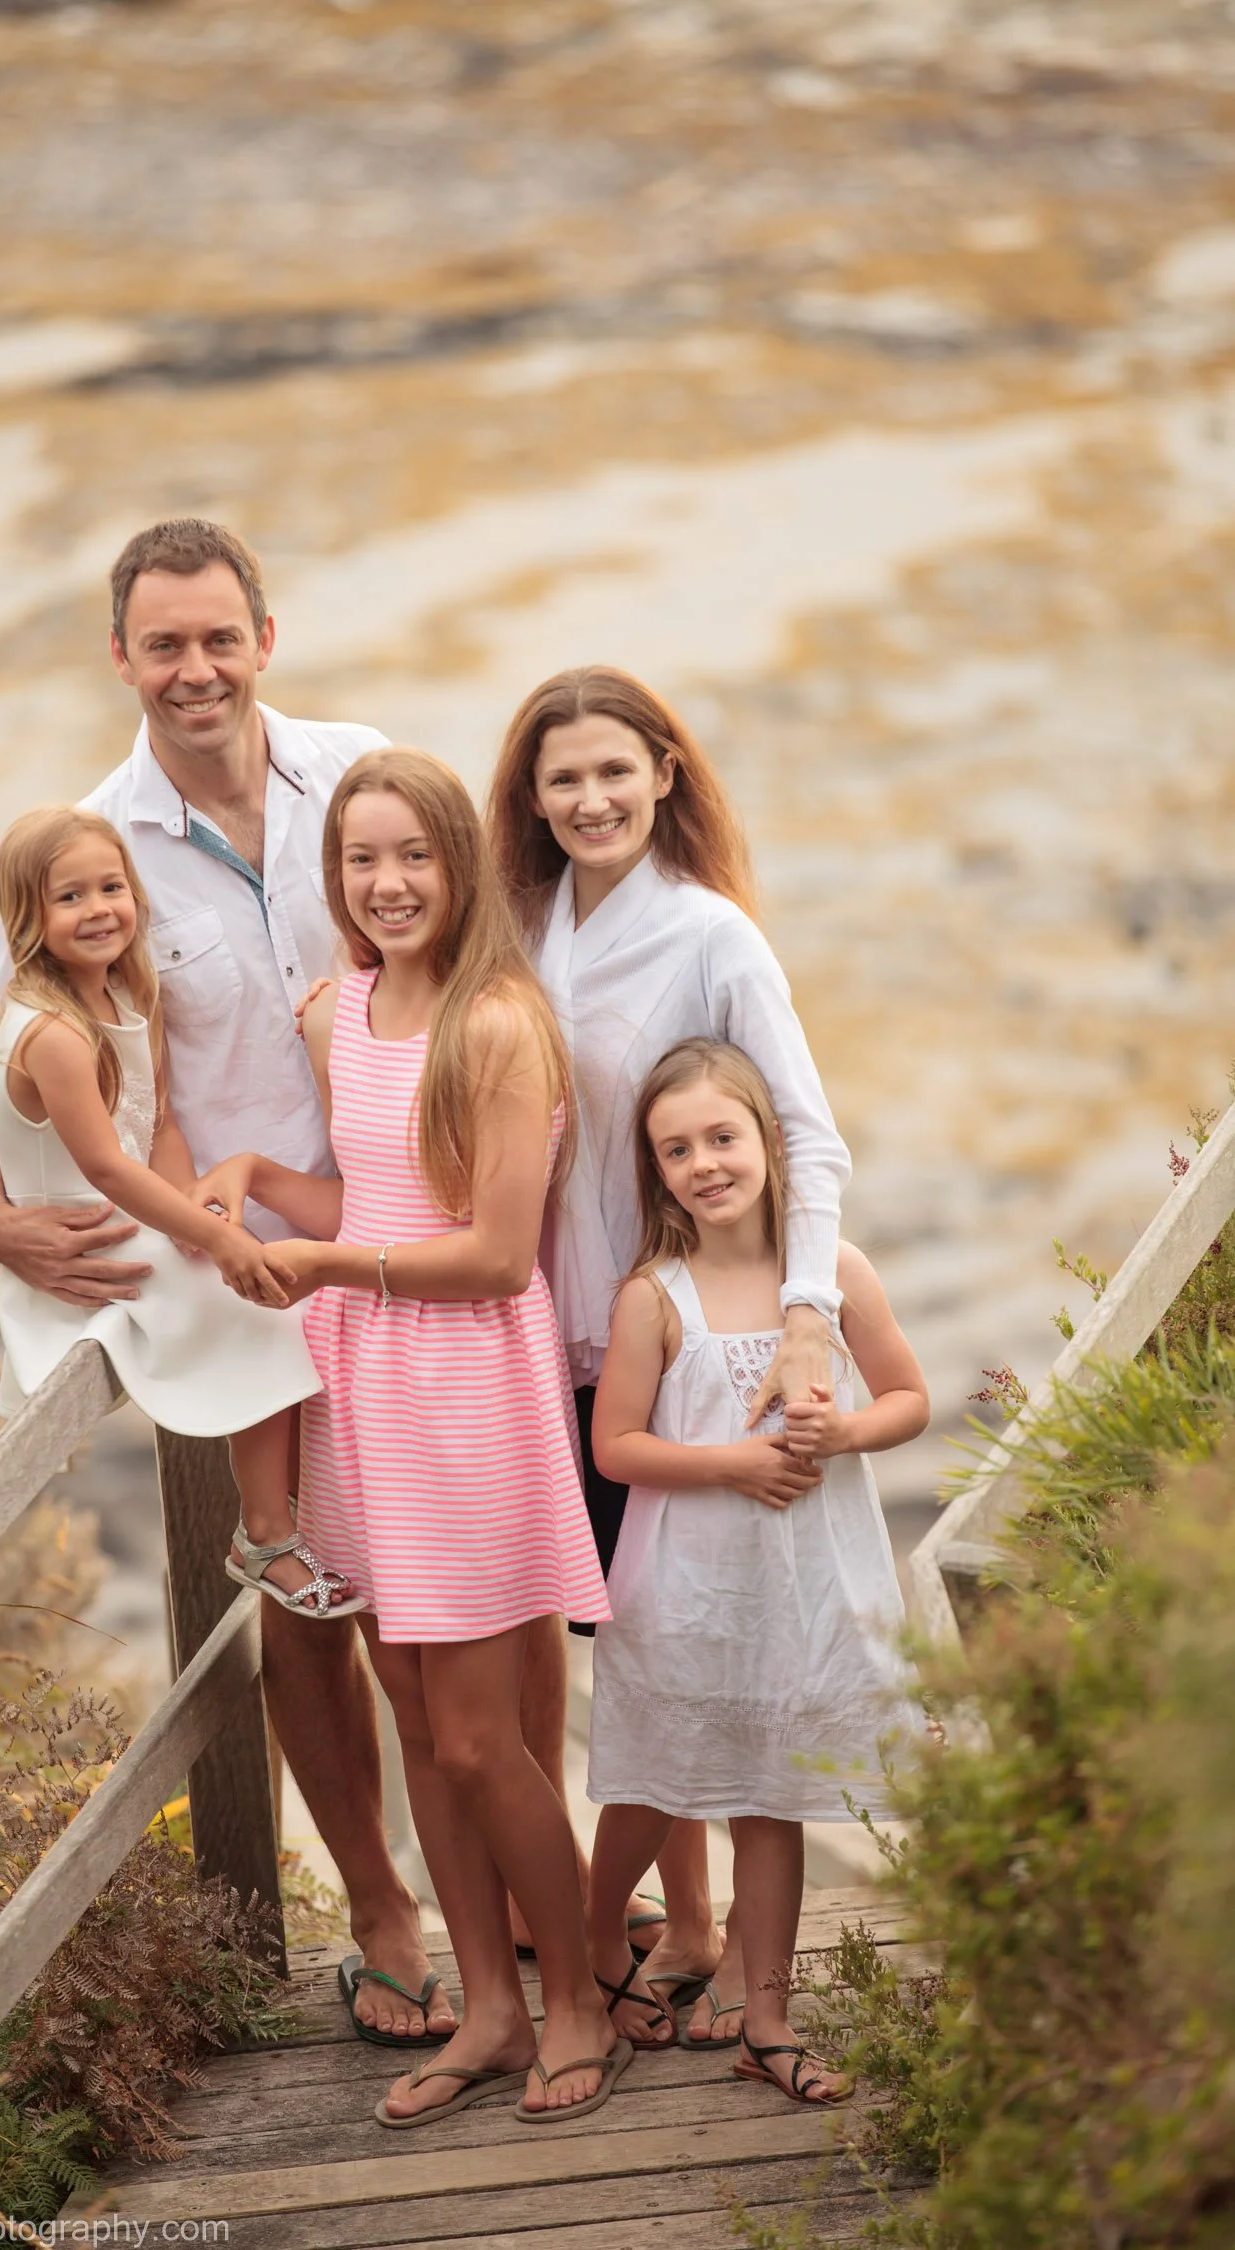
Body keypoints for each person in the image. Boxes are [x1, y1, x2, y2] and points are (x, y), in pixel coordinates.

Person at [0, 518, 455, 2044]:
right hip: (241, 1279)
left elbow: (473, 959)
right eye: (164, 643)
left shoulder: (364, 774)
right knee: (305, 1605)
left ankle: (515, 1866)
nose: (196, 667)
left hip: (408, 1239)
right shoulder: (88, 843)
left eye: (220, 635)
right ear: (121, 657)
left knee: (460, 1586)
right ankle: (381, 1906)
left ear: (265, 636)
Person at [197, 749, 629, 2127]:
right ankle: (488, 2011)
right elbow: (371, 1188)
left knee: (478, 1737)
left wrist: (324, 1271)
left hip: (462, 1396)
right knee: (414, 1714)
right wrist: (265, 1183)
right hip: (366, 1396)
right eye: (360, 860)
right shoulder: (344, 1011)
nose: (385, 885)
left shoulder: (501, 1028)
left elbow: (498, 1256)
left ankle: (571, 2000)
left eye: (413, 858)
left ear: (459, 865)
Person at [485, 665, 853, 2040]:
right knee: (638, 1642)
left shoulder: (712, 935)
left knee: (667, 1639)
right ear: (529, 796)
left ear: (664, 774)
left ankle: (626, 1937)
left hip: (676, 1350)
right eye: (560, 777)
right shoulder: (515, 929)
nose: (589, 798)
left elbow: (806, 1134)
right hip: (543, 1337)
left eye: (613, 772)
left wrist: (809, 1306)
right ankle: (688, 1928)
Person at [586, 1038, 928, 2098]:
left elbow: (909, 1400)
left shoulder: (829, 1282)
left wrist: (844, 1436)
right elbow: (615, 1448)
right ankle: (593, 1953)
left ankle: (768, 2023)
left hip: (800, 1591)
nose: (705, 1164)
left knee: (772, 1799)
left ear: (773, 1145)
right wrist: (734, 1461)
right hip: (688, 1590)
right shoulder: (655, 1295)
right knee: (651, 1784)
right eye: (676, 1149)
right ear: (656, 1172)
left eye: (723, 1137)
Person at [0, 804, 353, 1617]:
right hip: (87, 1249)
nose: (99, 909)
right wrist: (215, 1240)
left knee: (268, 1288)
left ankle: (307, 1519)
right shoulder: (51, 1032)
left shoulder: (129, 994)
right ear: (28, 918)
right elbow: (107, 1169)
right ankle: (265, 1535)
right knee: (262, 1312)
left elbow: (161, 1126)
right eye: (69, 897)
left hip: (142, 1218)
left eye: (111, 886)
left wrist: (194, 1205)